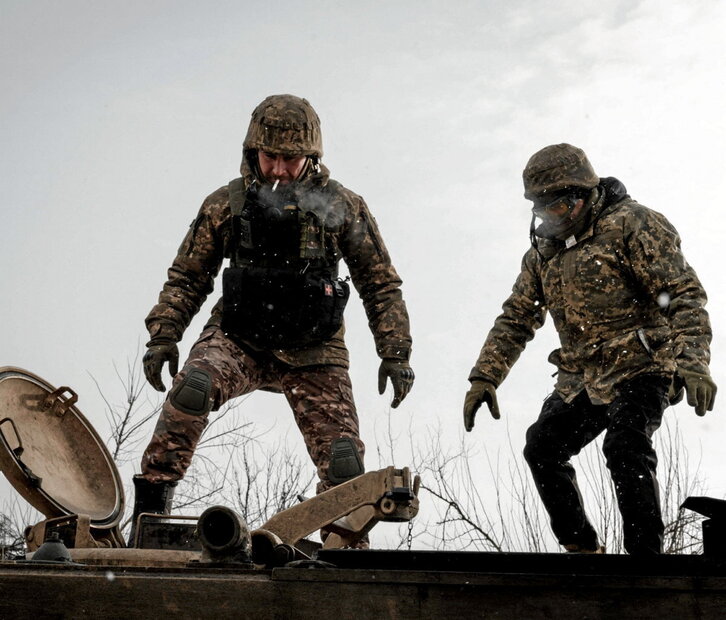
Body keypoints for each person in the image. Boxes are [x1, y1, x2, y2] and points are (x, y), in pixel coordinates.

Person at [129, 94, 414, 545]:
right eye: (271, 157)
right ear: (252, 152)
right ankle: (150, 515)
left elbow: (379, 283)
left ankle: (346, 551)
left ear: (311, 157)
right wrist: (163, 336)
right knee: (191, 390)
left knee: (343, 462)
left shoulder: (343, 206)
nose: (280, 169)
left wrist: (395, 351)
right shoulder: (226, 203)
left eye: (291, 159)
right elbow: (187, 276)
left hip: (314, 347)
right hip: (239, 337)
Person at [463, 143, 716, 555]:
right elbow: (516, 318)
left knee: (625, 445)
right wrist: (484, 377)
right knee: (542, 446)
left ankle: (645, 557)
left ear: (583, 196)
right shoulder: (543, 254)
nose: (552, 218)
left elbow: (682, 296)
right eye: (543, 211)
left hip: (643, 365)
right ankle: (581, 547)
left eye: (560, 209)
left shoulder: (633, 225)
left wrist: (694, 363)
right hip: (585, 377)